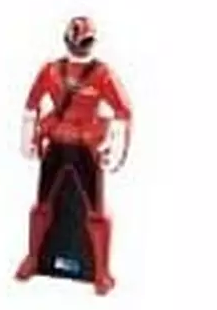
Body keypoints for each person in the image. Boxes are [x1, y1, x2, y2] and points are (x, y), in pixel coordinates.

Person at [16, 17, 131, 294]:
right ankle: (34, 257)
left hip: (85, 148)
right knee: (42, 205)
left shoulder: (102, 74)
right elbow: (31, 105)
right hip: (56, 144)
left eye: (84, 42)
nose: (80, 47)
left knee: (95, 211)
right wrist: (28, 137)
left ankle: (101, 271)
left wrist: (116, 148)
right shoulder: (51, 70)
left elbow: (123, 111)